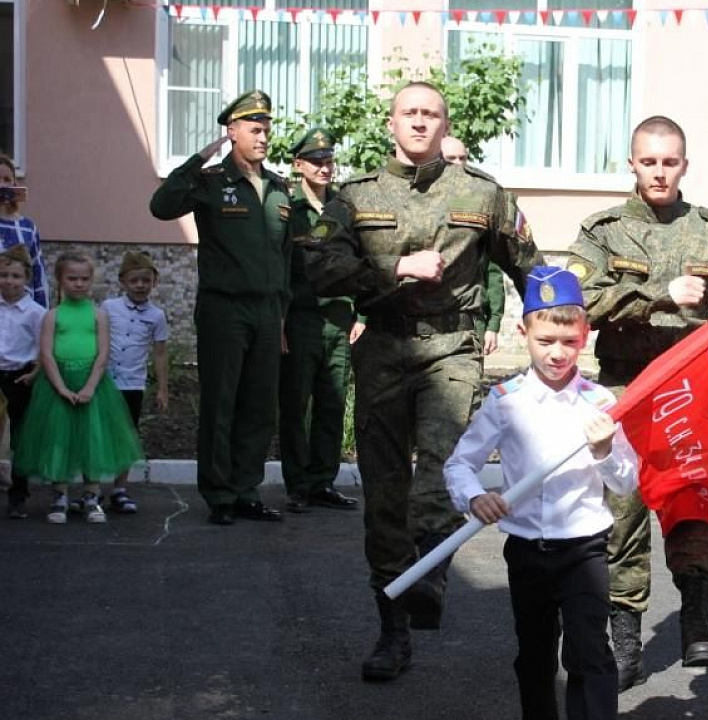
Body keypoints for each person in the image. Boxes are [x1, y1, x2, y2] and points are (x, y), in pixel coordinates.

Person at [304, 81, 544, 682]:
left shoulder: (482, 194)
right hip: (382, 349)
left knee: (439, 470)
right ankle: (393, 631)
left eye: (430, 114)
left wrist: (555, 328)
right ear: (391, 124)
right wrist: (395, 266)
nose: (419, 122)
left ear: (445, 125)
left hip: (452, 349)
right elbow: (316, 266)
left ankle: (430, 574)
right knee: (385, 494)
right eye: (409, 113)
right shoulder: (356, 196)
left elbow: (530, 267)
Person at [567, 115, 708, 690]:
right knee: (621, 514)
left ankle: (697, 618)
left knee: (691, 504)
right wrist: (659, 294)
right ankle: (625, 643)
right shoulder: (603, 231)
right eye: (648, 161)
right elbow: (580, 302)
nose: (659, 172)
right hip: (624, 390)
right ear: (632, 163)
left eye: (669, 162)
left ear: (684, 165)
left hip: (690, 395)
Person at [445, 266, 637, 720]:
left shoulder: (601, 404)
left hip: (584, 548)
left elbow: (627, 481)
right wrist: (474, 497)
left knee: (589, 654)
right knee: (535, 655)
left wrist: (605, 451)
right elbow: (459, 464)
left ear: (585, 336)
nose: (557, 353)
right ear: (523, 333)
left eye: (569, 341)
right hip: (526, 549)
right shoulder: (505, 400)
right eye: (545, 340)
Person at [149, 89, 292, 526]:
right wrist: (197, 160)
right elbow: (161, 206)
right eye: (255, 129)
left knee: (259, 406)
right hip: (224, 309)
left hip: (267, 312)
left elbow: (284, 258)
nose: (263, 137)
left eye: (267, 129)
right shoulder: (211, 181)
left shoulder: (278, 188)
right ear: (232, 131)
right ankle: (219, 494)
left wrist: (282, 316)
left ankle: (247, 490)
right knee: (221, 403)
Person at [14, 253, 142, 524]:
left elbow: (103, 354)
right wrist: (60, 387)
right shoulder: (52, 316)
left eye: (84, 279)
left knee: (92, 439)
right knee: (58, 438)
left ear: (91, 281)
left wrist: (90, 386)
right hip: (57, 385)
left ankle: (91, 497)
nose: (79, 284)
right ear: (60, 280)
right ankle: (59, 496)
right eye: (72, 278)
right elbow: (46, 354)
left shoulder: (99, 315)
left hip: (92, 386)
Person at [279, 127, 359, 514]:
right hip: (301, 318)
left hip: (339, 319)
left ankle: (322, 482)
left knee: (332, 404)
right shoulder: (288, 211)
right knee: (296, 406)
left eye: (328, 161)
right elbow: (278, 267)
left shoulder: (344, 208)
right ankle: (298, 485)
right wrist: (279, 320)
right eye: (316, 162)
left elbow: (362, 258)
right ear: (299, 165)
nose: (324, 168)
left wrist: (363, 313)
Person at [99, 251, 170, 514]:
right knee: (97, 433)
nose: (140, 285)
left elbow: (160, 353)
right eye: (134, 280)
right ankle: (92, 490)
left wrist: (162, 388)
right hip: (104, 382)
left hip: (132, 384)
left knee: (126, 436)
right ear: (123, 282)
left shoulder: (156, 316)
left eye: (146, 280)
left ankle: (119, 489)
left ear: (154, 282)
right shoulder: (109, 308)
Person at [441, 135, 507, 357]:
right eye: (451, 159)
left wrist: (493, 324)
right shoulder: (415, 201)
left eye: (463, 158)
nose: (458, 164)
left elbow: (492, 270)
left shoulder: (478, 204)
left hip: (470, 323)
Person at [0, 245, 44, 519]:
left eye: (15, 276)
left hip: (20, 376)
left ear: (26, 278)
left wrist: (35, 372)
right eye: (3, 275)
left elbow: (42, 347)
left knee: (20, 435)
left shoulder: (35, 312)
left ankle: (18, 494)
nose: (9, 281)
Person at [0, 153, 49, 308]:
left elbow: (38, 274)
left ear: (14, 185)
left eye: (7, 179)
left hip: (22, 312)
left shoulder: (27, 227)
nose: (2, 185)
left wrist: (43, 313)